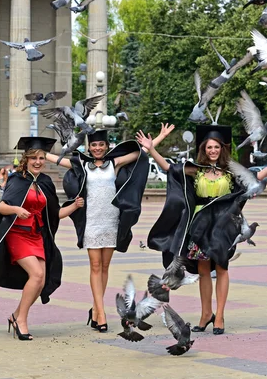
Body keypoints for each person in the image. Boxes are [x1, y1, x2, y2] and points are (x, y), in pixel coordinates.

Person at [137, 125, 267, 335]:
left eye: (216, 147)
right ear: (204, 149)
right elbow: (169, 168)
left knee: (221, 268)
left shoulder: (230, 171)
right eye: (209, 147)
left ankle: (219, 316)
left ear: (222, 149)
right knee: (203, 270)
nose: (213, 150)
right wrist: (151, 148)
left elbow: (255, 178)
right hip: (200, 225)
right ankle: (206, 314)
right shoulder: (196, 169)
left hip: (222, 226)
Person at [45, 123, 175, 332]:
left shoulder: (114, 163)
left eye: (101, 145)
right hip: (92, 221)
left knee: (104, 267)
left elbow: (141, 153)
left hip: (111, 220)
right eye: (94, 145)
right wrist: (37, 152)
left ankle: (96, 311)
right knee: (95, 266)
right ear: (89, 147)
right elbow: (56, 159)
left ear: (106, 146)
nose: (97, 148)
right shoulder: (82, 164)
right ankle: (101, 312)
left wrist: (158, 139)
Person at [0, 137, 84, 341]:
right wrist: (16, 209)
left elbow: (54, 215)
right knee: (36, 274)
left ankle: (16, 315)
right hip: (17, 235)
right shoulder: (17, 180)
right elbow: (2, 207)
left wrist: (75, 206)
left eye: (41, 158)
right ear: (25, 159)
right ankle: (22, 321)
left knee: (40, 280)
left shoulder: (45, 182)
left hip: (36, 236)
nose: (38, 162)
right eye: (34, 158)